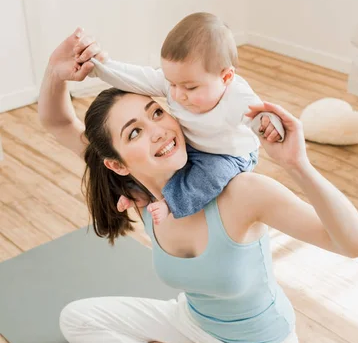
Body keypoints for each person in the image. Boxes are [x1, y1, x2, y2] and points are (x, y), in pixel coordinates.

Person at [38, 30, 358, 343]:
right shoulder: (141, 197)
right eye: (134, 131)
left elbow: (355, 245)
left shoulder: (242, 194)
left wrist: (299, 165)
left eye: (157, 111)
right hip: (191, 323)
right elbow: (55, 121)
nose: (156, 129)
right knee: (76, 320)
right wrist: (57, 71)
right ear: (116, 164)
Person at [86, 12, 284, 224]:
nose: (178, 94)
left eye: (190, 87)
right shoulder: (176, 82)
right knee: (160, 161)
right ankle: (139, 192)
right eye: (172, 84)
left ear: (225, 77)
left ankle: (171, 203)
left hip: (228, 155)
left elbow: (262, 116)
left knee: (210, 174)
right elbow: (136, 77)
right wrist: (100, 68)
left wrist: (271, 125)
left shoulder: (237, 97)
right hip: (194, 144)